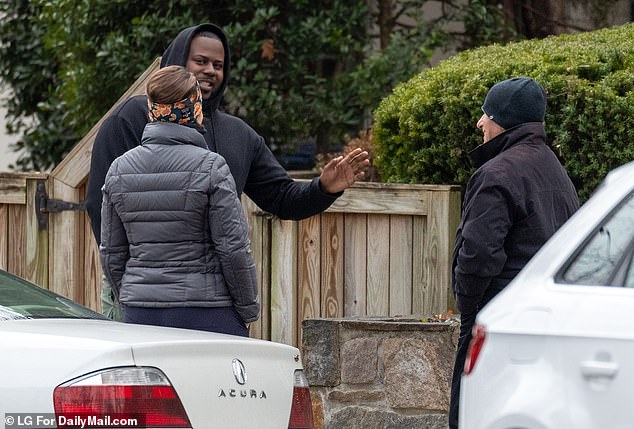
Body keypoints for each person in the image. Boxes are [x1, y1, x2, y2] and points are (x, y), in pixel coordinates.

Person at [86, 23, 370, 320]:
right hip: (141, 294)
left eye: (218, 65)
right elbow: (99, 205)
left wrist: (323, 188)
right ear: (177, 62)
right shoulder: (130, 119)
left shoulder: (238, 135)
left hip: (209, 297)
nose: (210, 70)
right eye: (200, 61)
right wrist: (128, 283)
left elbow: (282, 198)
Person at [448, 77, 579, 429]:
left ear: (503, 120)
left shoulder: (496, 174)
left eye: (485, 114)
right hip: (544, 320)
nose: (480, 123)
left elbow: (478, 256)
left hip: (495, 320)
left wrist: (469, 306)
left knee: (473, 414)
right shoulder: (554, 168)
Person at [100, 65, 258, 336]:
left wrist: (130, 296)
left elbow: (112, 253)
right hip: (206, 311)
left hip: (140, 312)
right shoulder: (212, 167)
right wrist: (248, 309)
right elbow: (233, 248)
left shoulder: (119, 169)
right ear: (193, 107)